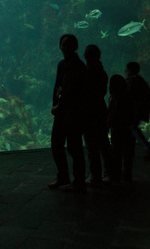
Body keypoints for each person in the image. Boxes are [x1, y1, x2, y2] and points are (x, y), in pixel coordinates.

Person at [49, 34, 88, 193]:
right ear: (59, 46)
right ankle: (63, 176)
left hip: (74, 113)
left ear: (75, 46)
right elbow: (58, 86)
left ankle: (79, 181)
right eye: (63, 44)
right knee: (56, 144)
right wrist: (55, 105)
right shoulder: (61, 64)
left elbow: (73, 90)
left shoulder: (78, 65)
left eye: (68, 44)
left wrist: (60, 105)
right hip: (61, 112)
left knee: (74, 147)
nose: (65, 47)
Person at [83, 44, 112, 186]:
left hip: (89, 112)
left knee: (92, 146)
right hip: (101, 110)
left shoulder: (86, 72)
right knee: (104, 143)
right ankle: (109, 173)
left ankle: (95, 176)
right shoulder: (102, 72)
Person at [125, 61, 150, 161]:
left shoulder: (132, 81)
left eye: (127, 69)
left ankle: (148, 148)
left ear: (129, 70)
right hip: (138, 110)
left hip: (134, 110)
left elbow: (128, 95)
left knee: (133, 128)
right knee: (132, 130)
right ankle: (131, 151)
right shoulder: (140, 81)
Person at [108, 74, 135, 183]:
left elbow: (111, 115)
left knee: (117, 153)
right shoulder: (129, 97)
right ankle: (128, 175)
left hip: (117, 130)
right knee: (128, 154)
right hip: (128, 130)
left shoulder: (113, 99)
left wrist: (108, 125)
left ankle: (117, 176)